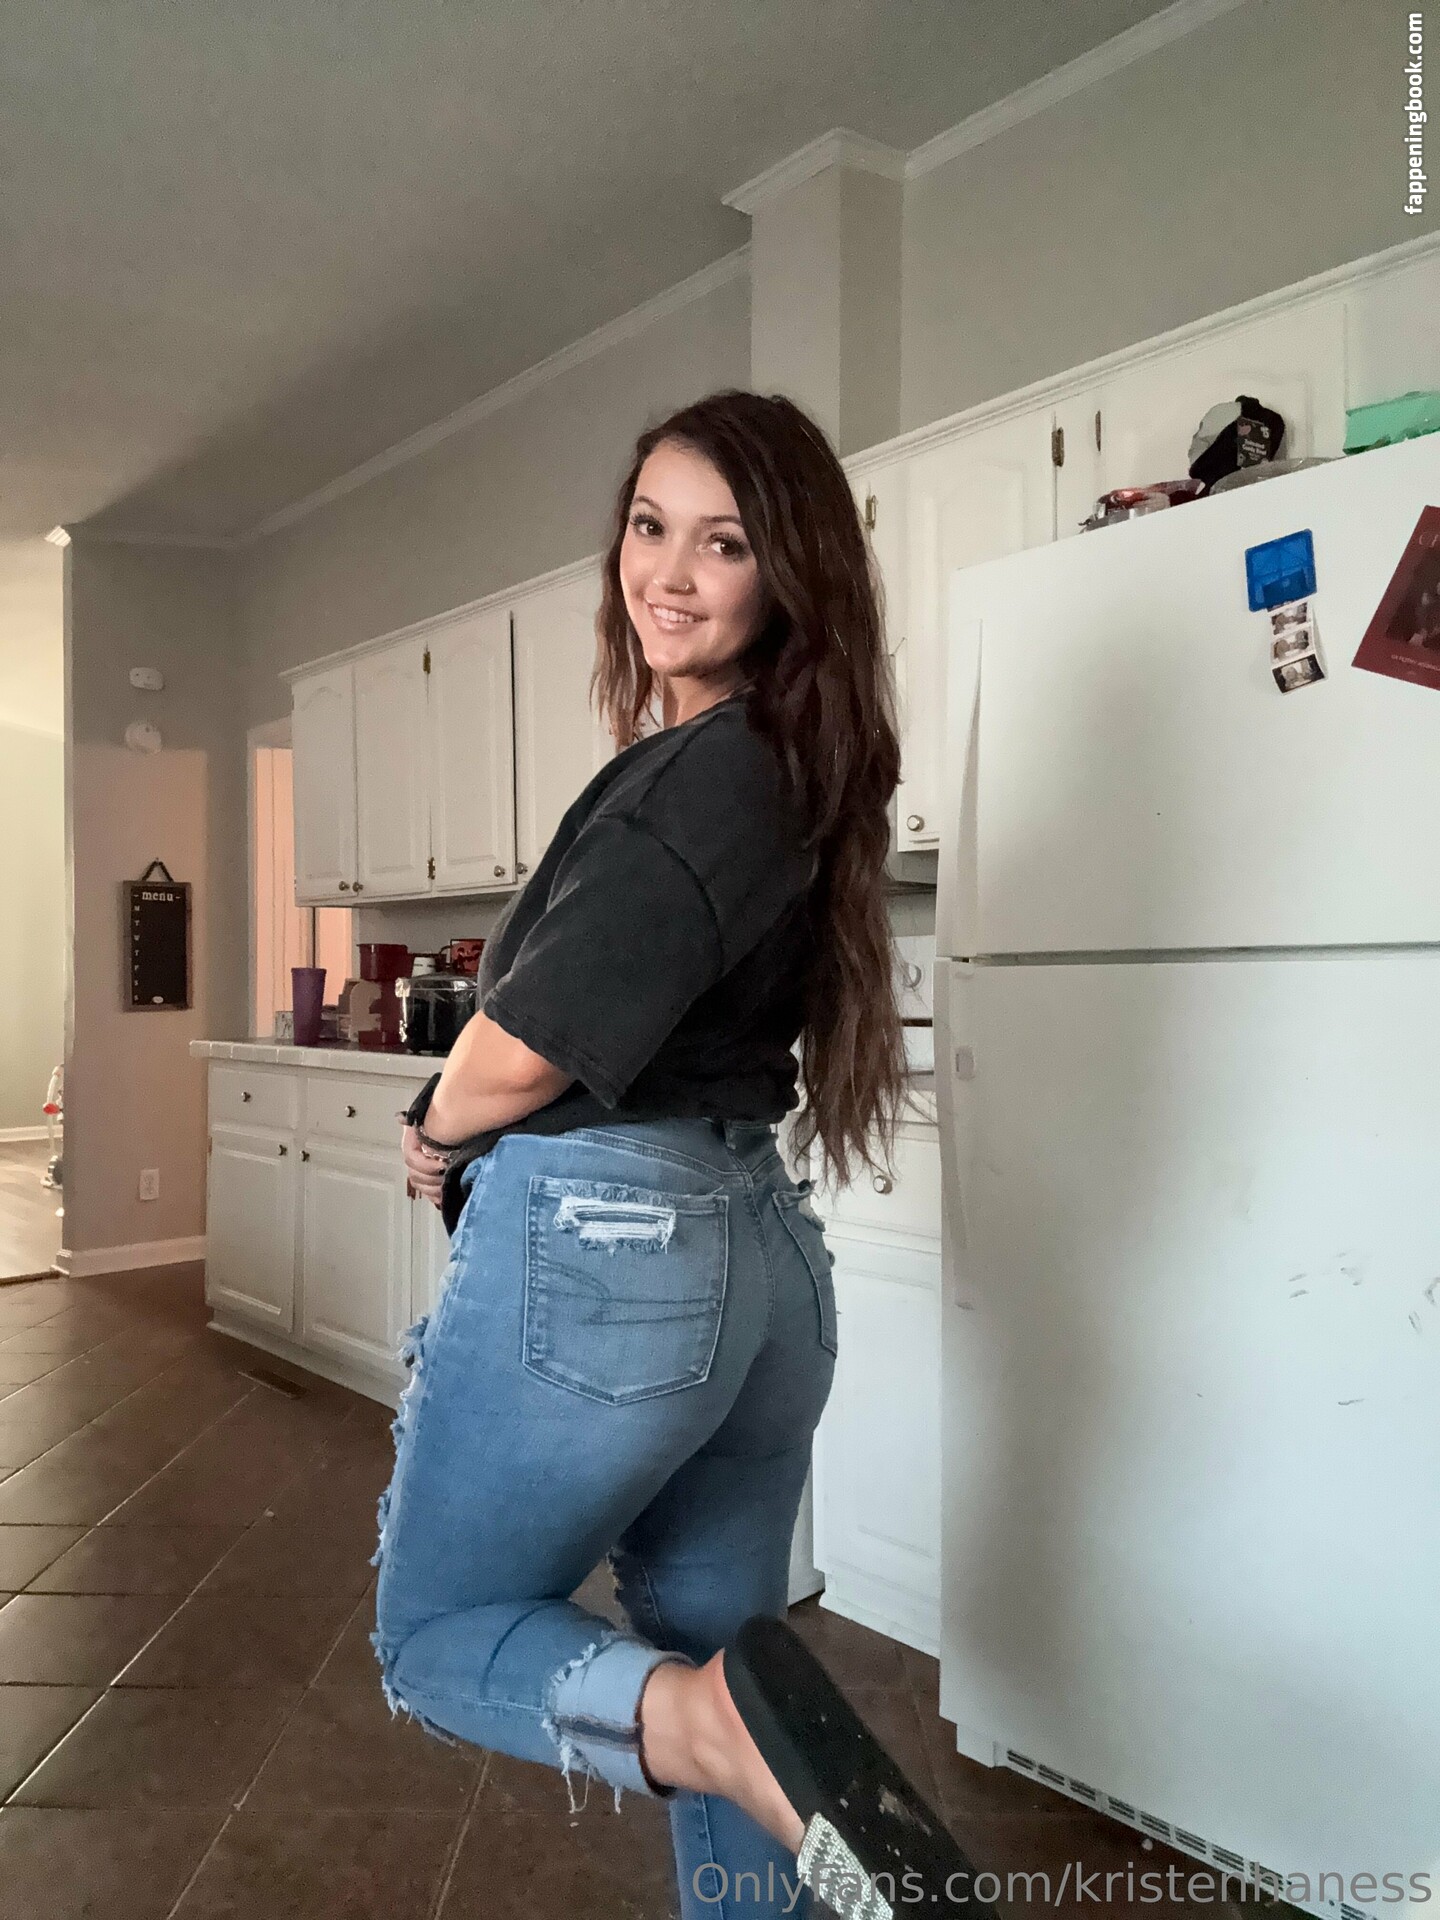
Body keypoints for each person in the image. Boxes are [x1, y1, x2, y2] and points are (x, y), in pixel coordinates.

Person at [378, 390, 992, 1920]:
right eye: (650, 527)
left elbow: (531, 1041)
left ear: (790, 571)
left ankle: (703, 1733)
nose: (667, 571)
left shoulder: (714, 771)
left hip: (620, 1252)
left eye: (723, 543)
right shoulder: (792, 766)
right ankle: (728, 1735)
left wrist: (434, 1125)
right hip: (752, 1256)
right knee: (733, 1655)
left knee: (441, 1632)